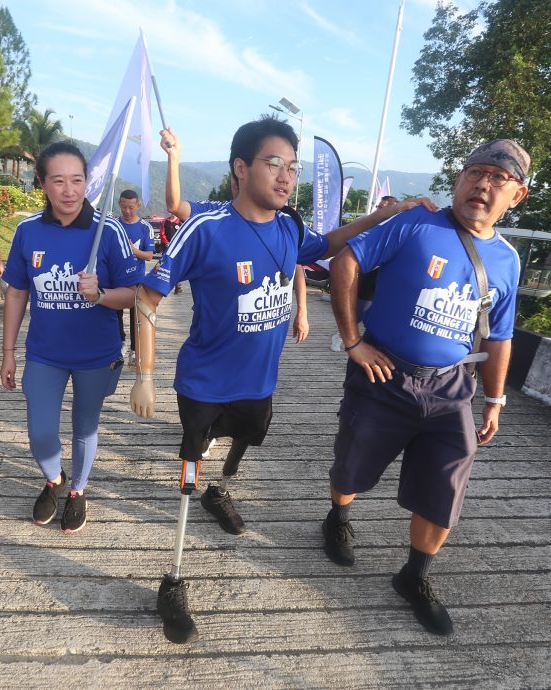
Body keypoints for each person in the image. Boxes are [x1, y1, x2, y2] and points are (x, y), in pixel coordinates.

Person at [130, 115, 436, 643]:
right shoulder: (206, 229)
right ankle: (174, 576)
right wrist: (146, 375)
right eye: (274, 164)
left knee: (248, 438)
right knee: (190, 467)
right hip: (203, 383)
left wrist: (388, 217)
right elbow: (147, 298)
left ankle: (219, 491)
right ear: (240, 168)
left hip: (260, 380)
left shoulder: (290, 227)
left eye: (293, 167)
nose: (286, 176)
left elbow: (329, 243)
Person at [322, 139, 528, 636]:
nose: (482, 184)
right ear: (459, 179)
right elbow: (346, 261)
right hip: (382, 375)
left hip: (452, 388)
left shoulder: (506, 261)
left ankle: (413, 576)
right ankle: (337, 516)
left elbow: (499, 336)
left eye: (497, 179)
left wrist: (495, 400)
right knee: (352, 465)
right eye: (475, 172)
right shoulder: (414, 224)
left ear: (516, 196)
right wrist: (353, 341)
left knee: (444, 489)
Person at [0, 142, 139, 534]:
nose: (69, 190)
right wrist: (8, 352)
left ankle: (78, 489)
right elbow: (16, 292)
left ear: (87, 182)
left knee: (85, 427)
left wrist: (99, 295)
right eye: (58, 181)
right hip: (45, 353)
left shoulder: (107, 231)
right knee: (40, 430)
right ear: (42, 184)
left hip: (96, 354)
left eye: (77, 180)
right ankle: (53, 479)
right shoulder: (29, 231)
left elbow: (135, 294)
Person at [161, 127, 309, 343]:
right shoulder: (214, 213)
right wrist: (174, 159)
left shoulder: (284, 223)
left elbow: (298, 264)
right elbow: (174, 205)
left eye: (292, 169)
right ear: (240, 173)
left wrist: (302, 311)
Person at [117, 189, 154, 364]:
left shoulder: (144, 228)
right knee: (115, 314)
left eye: (130, 207)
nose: (127, 211)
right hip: (115, 278)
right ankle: (119, 344)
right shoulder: (114, 225)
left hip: (136, 279)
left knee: (135, 316)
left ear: (138, 206)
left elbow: (149, 255)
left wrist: (133, 251)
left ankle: (134, 349)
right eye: (123, 207)